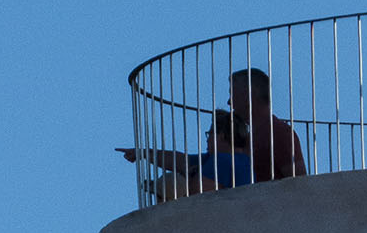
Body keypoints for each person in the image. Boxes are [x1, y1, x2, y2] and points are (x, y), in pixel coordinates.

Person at [120, 109, 252, 198]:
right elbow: (180, 160)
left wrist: (183, 177)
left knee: (171, 183)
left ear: (221, 136)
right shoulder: (242, 161)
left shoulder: (222, 161)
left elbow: (197, 196)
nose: (207, 138)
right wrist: (144, 153)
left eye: (210, 133)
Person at [229, 67, 306, 181]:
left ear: (248, 95)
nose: (229, 102)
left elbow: (300, 184)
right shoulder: (251, 138)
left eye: (233, 94)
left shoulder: (278, 133)